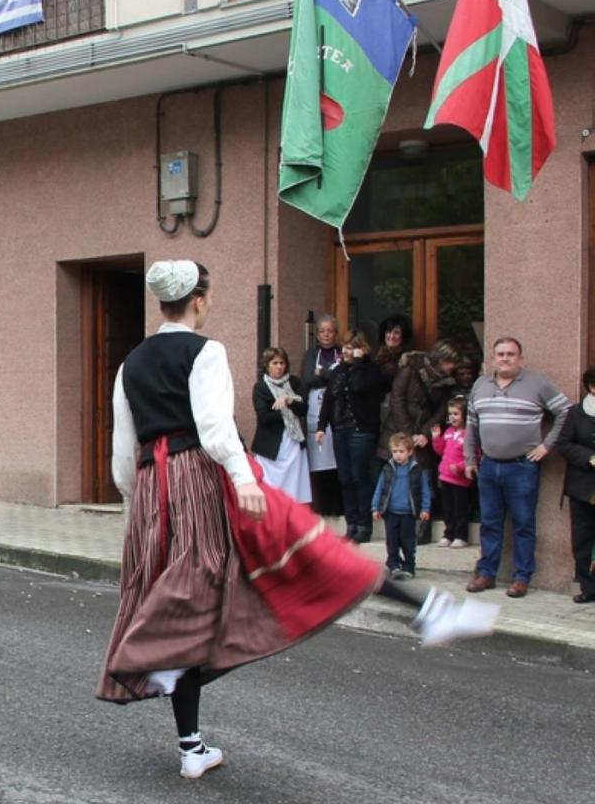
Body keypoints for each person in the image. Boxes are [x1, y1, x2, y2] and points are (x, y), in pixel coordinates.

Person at [97, 260, 498, 781]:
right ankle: (428, 609)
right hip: (205, 474)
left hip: (156, 486)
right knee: (305, 549)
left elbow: (122, 451)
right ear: (199, 300)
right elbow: (216, 429)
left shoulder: (131, 363)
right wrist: (244, 480)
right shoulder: (205, 350)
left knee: (184, 590)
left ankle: (190, 741)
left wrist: (139, 503)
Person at [464, 337, 571, 598]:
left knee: (523, 524)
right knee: (490, 523)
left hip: (522, 467)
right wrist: (469, 459)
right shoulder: (480, 384)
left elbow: (567, 411)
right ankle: (486, 573)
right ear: (492, 358)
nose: (505, 358)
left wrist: (547, 446)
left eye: (511, 354)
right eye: (500, 354)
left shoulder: (537, 383)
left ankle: (522, 577)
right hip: (488, 466)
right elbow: (471, 426)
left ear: (520, 358)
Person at [381, 340, 462, 543]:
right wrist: (408, 433)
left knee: (425, 478)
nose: (453, 367)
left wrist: (425, 433)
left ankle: (423, 524)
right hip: (400, 432)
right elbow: (397, 400)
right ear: (441, 360)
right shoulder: (410, 370)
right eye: (451, 362)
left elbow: (442, 410)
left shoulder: (447, 383)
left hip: (424, 436)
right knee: (397, 478)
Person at [315, 331, 384, 543]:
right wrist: (321, 426)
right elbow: (328, 399)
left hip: (361, 430)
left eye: (350, 347)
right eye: (344, 347)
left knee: (360, 478)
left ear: (361, 349)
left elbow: (358, 386)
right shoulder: (339, 371)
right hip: (340, 430)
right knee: (345, 479)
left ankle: (364, 525)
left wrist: (360, 362)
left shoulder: (370, 370)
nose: (345, 351)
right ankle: (351, 523)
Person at [554, 364, 595, 604]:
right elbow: (564, 444)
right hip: (582, 486)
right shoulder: (576, 413)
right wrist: (589, 458)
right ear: (591, 386)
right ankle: (588, 587)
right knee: (582, 540)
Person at [250, 347, 311, 503]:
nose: (279, 367)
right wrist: (285, 409)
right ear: (267, 365)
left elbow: (303, 409)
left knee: (293, 490)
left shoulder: (294, 383)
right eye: (274, 363)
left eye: (282, 363)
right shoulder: (261, 387)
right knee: (270, 490)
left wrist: (289, 400)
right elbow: (264, 417)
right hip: (271, 445)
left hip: (293, 441)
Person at [300, 314, 344, 517]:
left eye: (330, 331)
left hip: (338, 413)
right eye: (322, 331)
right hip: (315, 414)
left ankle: (339, 508)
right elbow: (307, 378)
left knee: (338, 461)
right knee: (319, 463)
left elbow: (341, 378)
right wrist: (328, 377)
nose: (326, 334)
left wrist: (323, 375)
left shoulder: (342, 352)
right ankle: (323, 508)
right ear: (317, 334)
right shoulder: (311, 354)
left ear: (336, 333)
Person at [372, 433, 432, 581]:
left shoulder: (417, 470)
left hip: (408, 513)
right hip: (391, 512)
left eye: (401, 451)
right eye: (394, 451)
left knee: (408, 541)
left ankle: (409, 565)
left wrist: (425, 508)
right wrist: (375, 507)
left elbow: (425, 490)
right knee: (391, 541)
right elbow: (380, 488)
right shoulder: (388, 469)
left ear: (410, 451)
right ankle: (393, 564)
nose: (397, 455)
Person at [432, 396, 473, 548]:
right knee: (447, 509)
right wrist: (436, 439)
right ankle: (448, 534)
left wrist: (461, 466)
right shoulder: (448, 431)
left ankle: (461, 535)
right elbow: (440, 450)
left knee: (460, 508)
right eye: (450, 414)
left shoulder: (469, 434)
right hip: (445, 477)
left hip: (460, 479)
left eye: (456, 414)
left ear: (464, 416)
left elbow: (474, 454)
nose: (452, 417)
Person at [374, 313, 412, 389]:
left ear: (403, 336)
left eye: (396, 333)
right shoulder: (377, 355)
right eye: (389, 332)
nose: (391, 336)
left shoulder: (406, 359)